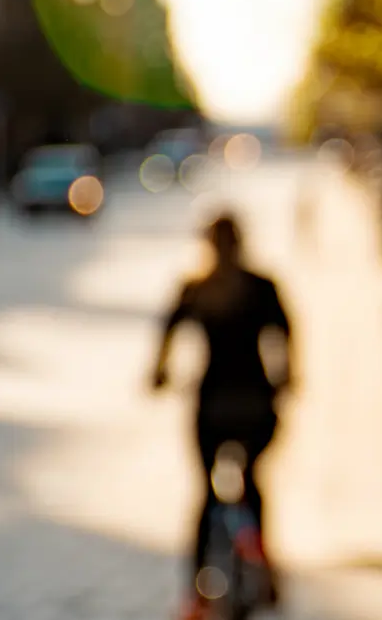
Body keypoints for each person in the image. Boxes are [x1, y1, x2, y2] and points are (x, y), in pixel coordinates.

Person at [150, 213, 294, 620]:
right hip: (255, 401)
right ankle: (262, 563)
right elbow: (286, 332)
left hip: (212, 403)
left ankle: (196, 590)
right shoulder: (261, 287)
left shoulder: (198, 289)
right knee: (253, 482)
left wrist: (159, 374)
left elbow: (168, 334)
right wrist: (287, 376)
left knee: (206, 493)